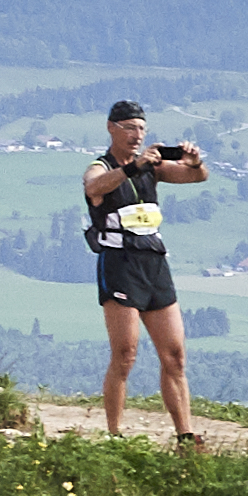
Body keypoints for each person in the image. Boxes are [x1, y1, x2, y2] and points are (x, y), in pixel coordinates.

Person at [81, 100, 212, 445]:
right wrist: (131, 168)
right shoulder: (101, 167)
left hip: (155, 262)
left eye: (141, 129)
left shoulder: (152, 168)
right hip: (120, 264)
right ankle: (114, 435)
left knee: (175, 355)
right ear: (111, 128)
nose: (137, 135)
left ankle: (185, 435)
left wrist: (194, 161)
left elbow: (197, 177)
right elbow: (94, 187)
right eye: (130, 128)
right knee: (125, 355)